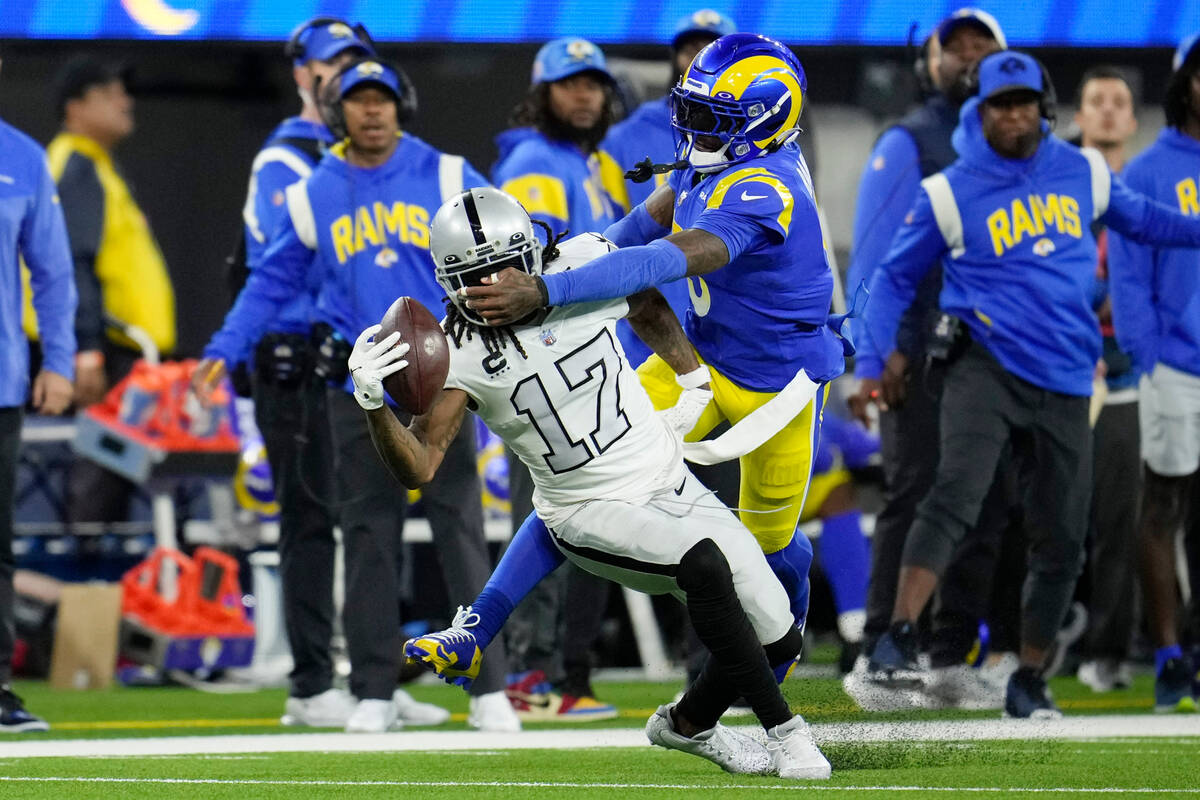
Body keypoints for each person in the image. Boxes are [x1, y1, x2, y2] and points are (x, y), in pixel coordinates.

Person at [365, 186, 829, 779]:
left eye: (505, 267)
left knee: (780, 640)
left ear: (531, 253)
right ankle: (788, 734)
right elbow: (421, 463)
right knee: (705, 563)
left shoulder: (578, 265)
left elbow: (640, 289)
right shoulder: (457, 352)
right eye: (475, 276)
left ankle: (685, 724)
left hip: (667, 479)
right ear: (449, 281)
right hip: (586, 510)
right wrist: (373, 404)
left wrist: (691, 376)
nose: (494, 287)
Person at [458, 34, 844, 655]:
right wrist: (561, 260)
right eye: (690, 110)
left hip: (778, 390)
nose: (693, 129)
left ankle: (778, 669)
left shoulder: (766, 190)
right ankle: (479, 623)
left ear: (764, 123)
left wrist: (547, 291)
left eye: (712, 118)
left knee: (770, 555)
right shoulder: (713, 162)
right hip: (699, 360)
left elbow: (654, 264)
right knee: (583, 474)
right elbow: (630, 232)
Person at [860, 50, 1200, 719]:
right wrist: (876, 360)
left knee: (1064, 535)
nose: (1013, 115)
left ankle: (1031, 677)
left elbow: (1147, 221)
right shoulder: (949, 190)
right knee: (955, 493)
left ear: (1043, 108)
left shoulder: (1085, 170)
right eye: (999, 104)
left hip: (1069, 371)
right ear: (979, 112)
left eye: (1023, 103)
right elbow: (894, 276)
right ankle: (898, 635)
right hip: (982, 362)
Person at [194, 58, 518, 733]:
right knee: (368, 537)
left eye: (383, 100)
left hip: (445, 376)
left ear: (403, 106)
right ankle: (372, 688)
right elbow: (271, 277)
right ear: (337, 112)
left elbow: (508, 234)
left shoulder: (448, 173)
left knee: (462, 529)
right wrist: (224, 348)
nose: (373, 112)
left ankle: (488, 686)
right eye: (358, 101)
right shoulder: (315, 191)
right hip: (362, 384)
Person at [227, 17, 447, 730]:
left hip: (352, 359)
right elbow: (283, 269)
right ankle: (312, 681)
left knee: (369, 523)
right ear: (305, 75)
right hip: (296, 359)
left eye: (357, 64)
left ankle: (370, 673)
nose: (345, 77)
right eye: (331, 65)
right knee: (312, 522)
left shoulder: (371, 161)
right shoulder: (290, 163)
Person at [844, 8, 1017, 713]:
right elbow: (876, 250)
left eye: (985, 44)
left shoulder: (1021, 147)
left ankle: (949, 654)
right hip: (918, 350)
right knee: (913, 492)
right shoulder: (910, 138)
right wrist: (876, 352)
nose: (971, 55)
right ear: (931, 60)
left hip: (997, 353)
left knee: (986, 502)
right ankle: (880, 649)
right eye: (959, 44)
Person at [490, 37, 628, 721]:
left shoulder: (593, 163)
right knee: (549, 520)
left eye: (594, 84)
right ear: (542, 94)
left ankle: (560, 672)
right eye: (569, 84)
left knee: (585, 524)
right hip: (549, 367)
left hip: (586, 366)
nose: (584, 95)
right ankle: (528, 672)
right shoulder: (536, 162)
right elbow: (527, 256)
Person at [25, 56, 174, 526]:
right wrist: (85, 347)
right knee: (98, 477)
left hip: (114, 352)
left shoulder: (95, 168)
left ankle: (94, 583)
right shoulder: (77, 169)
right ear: (77, 107)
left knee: (111, 475)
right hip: (102, 355)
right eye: (110, 94)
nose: (125, 103)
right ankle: (82, 586)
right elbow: (67, 258)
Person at [1108, 34, 1200, 713]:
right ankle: (1169, 655)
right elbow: (1130, 279)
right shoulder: (1147, 171)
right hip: (1175, 366)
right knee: (1163, 506)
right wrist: (1148, 355)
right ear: (1185, 83)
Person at [0, 50, 77, 732]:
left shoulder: (22, 159)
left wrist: (57, 359)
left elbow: (52, 271)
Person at [1069, 66, 1140, 695]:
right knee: (1049, 518)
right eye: (1099, 102)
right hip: (1061, 372)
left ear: (1135, 119)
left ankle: (1106, 649)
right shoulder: (1057, 189)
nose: (1110, 113)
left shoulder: (1148, 192)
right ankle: (1041, 635)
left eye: (1120, 103)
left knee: (1123, 520)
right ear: (1080, 115)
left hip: (1128, 375)